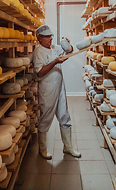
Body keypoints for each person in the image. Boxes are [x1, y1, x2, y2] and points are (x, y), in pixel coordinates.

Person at [32, 25, 81, 159]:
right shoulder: (38, 52)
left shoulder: (55, 48)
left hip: (59, 87)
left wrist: (69, 46)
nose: (50, 38)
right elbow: (40, 72)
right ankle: (42, 149)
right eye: (47, 36)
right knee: (46, 117)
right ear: (40, 38)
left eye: (51, 36)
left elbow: (68, 53)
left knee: (65, 116)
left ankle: (68, 147)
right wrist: (54, 62)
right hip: (47, 89)